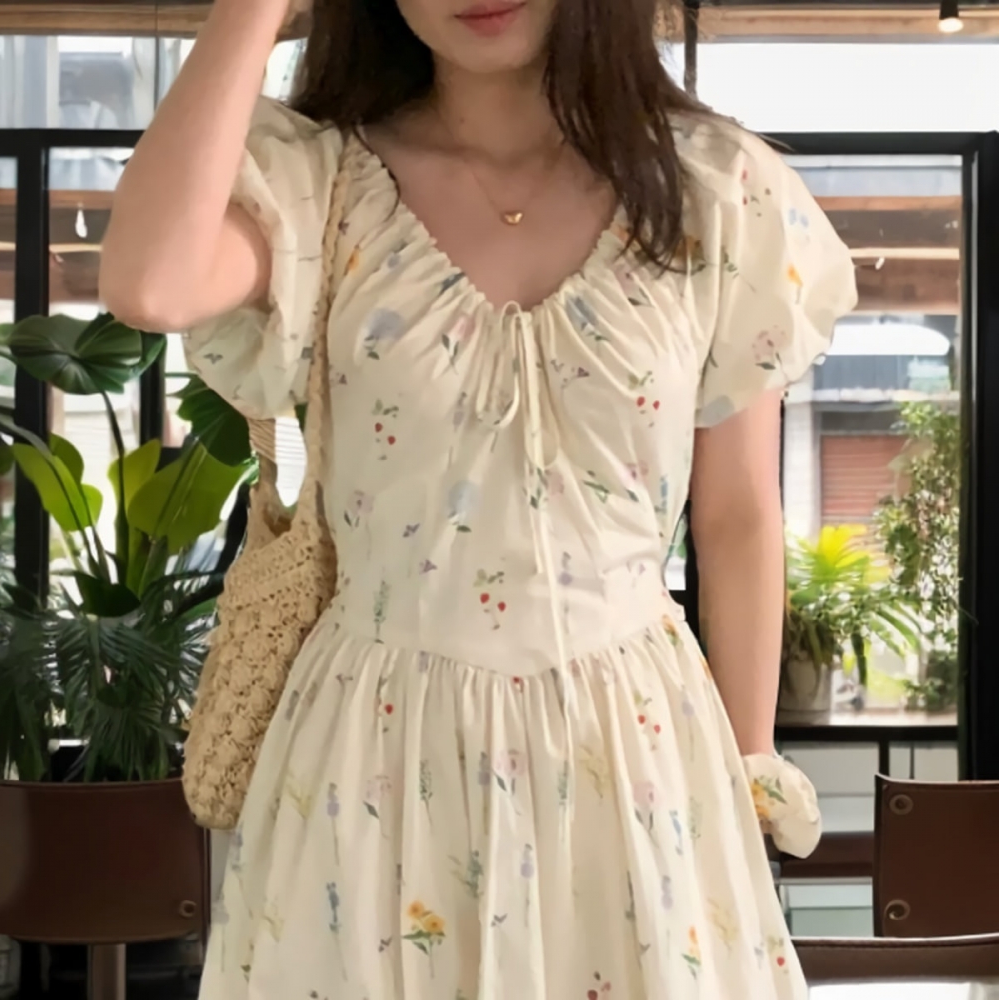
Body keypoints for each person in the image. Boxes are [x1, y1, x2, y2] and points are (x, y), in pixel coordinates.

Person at [100, 0, 857, 996]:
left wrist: (750, 760)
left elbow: (738, 516)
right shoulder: (322, 187)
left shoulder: (714, 191)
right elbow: (151, 283)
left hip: (634, 748)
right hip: (374, 750)